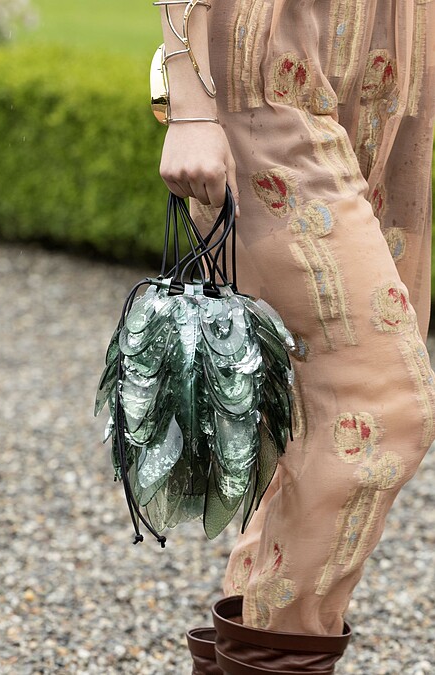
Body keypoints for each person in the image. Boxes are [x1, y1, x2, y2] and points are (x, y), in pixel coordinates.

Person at [156, 1, 435, 672]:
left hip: (385, 69)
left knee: (312, 428)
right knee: (381, 410)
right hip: (268, 68)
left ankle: (249, 649)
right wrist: (190, 105)